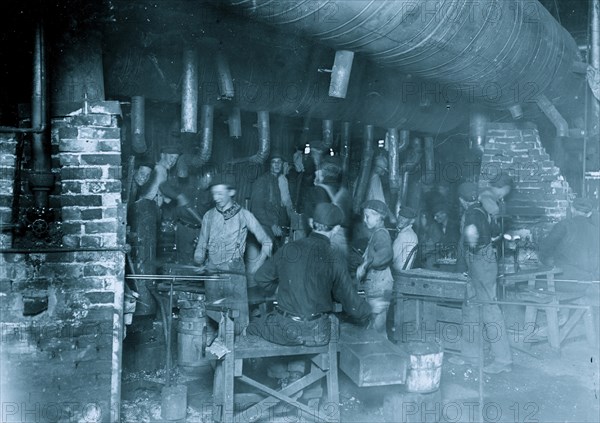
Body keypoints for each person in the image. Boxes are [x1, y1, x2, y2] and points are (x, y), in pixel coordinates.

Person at [247, 203, 374, 387]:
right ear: (336, 229)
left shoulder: (289, 249)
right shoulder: (335, 256)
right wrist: (367, 312)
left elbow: (260, 277)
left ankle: (272, 378)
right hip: (318, 333)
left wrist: (281, 289)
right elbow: (351, 301)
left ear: (312, 223)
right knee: (325, 326)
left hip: (284, 330)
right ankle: (294, 376)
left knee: (252, 327)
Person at [194, 174, 273, 335]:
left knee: (238, 322)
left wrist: (256, 265)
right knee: (212, 320)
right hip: (212, 274)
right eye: (214, 193)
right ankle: (215, 357)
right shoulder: (208, 216)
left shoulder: (244, 215)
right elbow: (201, 246)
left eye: (220, 193)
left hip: (234, 274)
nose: (216, 198)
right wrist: (199, 261)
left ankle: (239, 357)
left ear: (231, 192)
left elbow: (267, 242)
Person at [460, 174, 513, 374]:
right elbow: (495, 234)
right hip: (481, 261)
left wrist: (471, 246)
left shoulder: (472, 214)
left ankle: (503, 361)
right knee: (471, 306)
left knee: (490, 309)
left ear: (461, 200)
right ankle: (471, 355)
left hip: (481, 262)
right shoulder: (484, 209)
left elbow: (472, 241)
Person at [539, 197, 600, 287]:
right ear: (590, 213)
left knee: (526, 284)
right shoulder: (597, 230)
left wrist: (547, 260)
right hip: (590, 282)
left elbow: (545, 248)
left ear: (572, 209)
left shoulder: (564, 225)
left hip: (565, 281)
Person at [356, 200, 394, 335]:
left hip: (380, 286)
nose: (364, 220)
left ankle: (383, 355)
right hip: (379, 284)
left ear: (379, 217)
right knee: (377, 327)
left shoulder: (381, 234)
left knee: (377, 329)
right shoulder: (376, 233)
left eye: (368, 216)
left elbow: (386, 254)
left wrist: (365, 264)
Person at [249, 153, 293, 250]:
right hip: (264, 227)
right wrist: (272, 225)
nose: (277, 164)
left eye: (279, 162)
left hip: (276, 228)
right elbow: (256, 209)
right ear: (269, 165)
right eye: (274, 162)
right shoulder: (262, 182)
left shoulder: (279, 181)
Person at [392, 206, 419, 274]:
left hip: (396, 273)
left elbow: (391, 257)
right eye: (400, 216)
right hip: (405, 271)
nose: (401, 220)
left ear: (412, 221)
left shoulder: (404, 235)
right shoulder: (412, 234)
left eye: (405, 218)